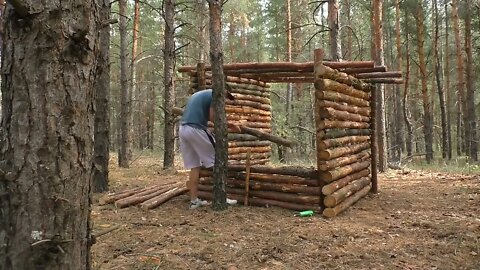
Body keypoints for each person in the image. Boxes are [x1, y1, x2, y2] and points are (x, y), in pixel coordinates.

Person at [179, 87, 241, 209]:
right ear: (223, 91)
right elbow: (213, 117)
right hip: (195, 129)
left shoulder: (200, 94)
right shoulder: (214, 95)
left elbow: (203, 115)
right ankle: (222, 198)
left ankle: (194, 200)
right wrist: (231, 124)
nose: (224, 100)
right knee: (218, 160)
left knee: (194, 166)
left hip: (183, 129)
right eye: (226, 96)